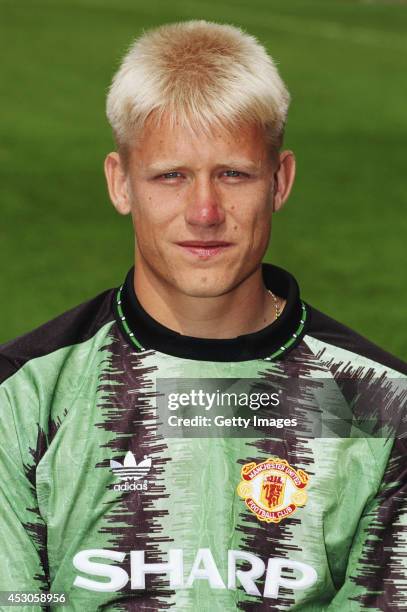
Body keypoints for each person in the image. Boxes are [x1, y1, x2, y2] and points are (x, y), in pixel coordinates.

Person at [0, 19, 406, 611]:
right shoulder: (22, 397)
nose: (205, 211)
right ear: (121, 184)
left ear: (280, 180)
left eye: (234, 174)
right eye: (170, 176)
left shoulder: (381, 406)